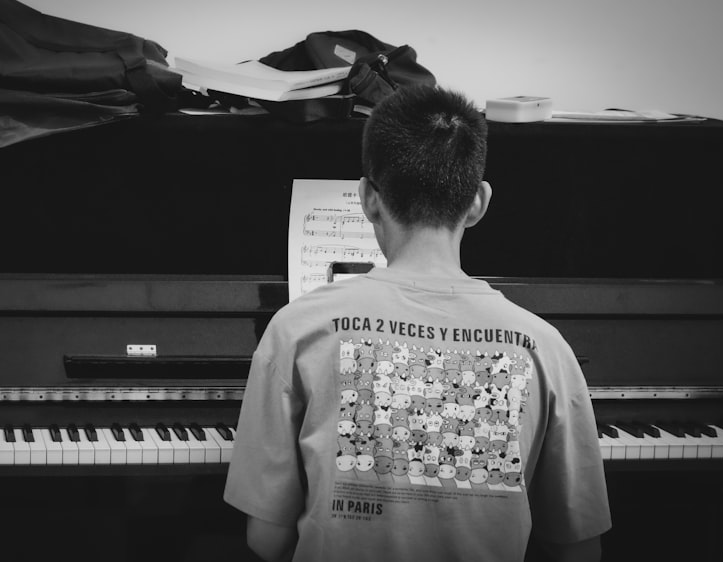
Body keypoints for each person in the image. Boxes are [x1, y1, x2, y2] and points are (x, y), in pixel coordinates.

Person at [223, 85, 611, 562]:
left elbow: (266, 540)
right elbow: (582, 551)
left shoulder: (296, 329)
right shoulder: (544, 347)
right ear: (478, 202)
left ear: (368, 198)